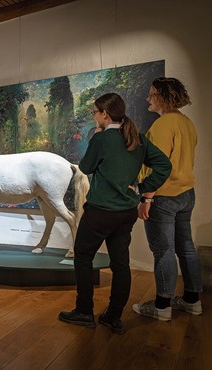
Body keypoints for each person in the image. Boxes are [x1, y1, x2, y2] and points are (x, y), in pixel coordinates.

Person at [59, 93, 171, 334]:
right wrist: (142, 188)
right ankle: (113, 316)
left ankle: (84, 312)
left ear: (105, 114)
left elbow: (86, 167)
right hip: (126, 212)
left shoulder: (102, 138)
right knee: (120, 263)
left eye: (95, 112)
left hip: (100, 212)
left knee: (82, 256)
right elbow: (164, 166)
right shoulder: (137, 138)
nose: (93, 115)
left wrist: (97, 139)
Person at [132, 77, 203, 321]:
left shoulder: (163, 125)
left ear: (162, 96)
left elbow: (159, 166)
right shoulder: (187, 122)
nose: (148, 98)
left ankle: (162, 306)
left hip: (163, 196)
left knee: (163, 251)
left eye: (151, 94)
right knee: (186, 247)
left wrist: (146, 197)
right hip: (186, 193)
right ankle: (192, 301)